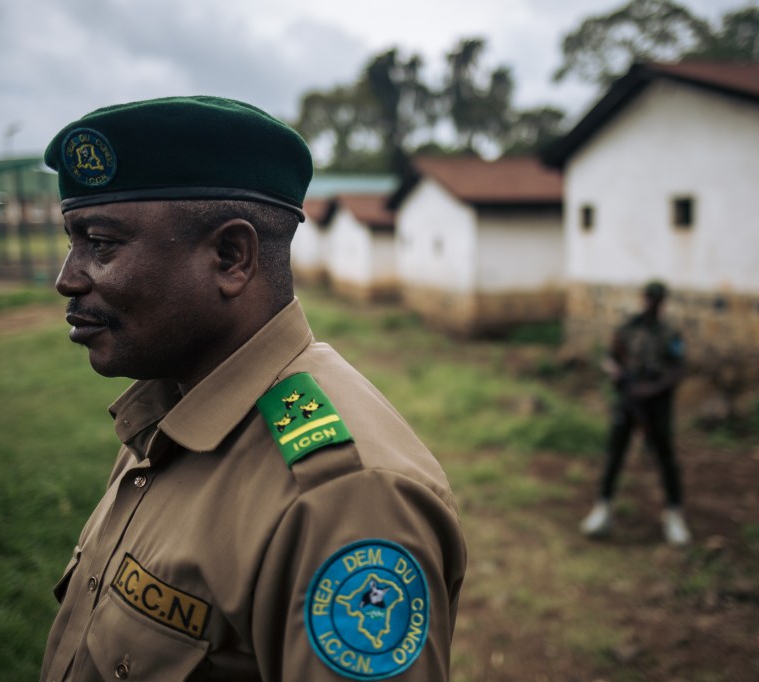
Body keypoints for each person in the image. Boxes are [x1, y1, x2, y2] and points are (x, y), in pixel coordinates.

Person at [39, 96, 466, 682]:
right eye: (72, 240)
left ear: (230, 257)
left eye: (101, 244)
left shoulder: (343, 501)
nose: (67, 278)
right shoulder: (170, 406)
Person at [579, 280, 691, 546]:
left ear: (662, 302)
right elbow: (611, 357)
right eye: (648, 298)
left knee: (665, 457)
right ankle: (602, 508)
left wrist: (652, 389)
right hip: (628, 400)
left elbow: (677, 370)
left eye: (656, 299)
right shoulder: (628, 328)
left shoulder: (669, 333)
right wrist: (618, 374)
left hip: (657, 403)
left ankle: (674, 514)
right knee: (615, 454)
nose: (651, 303)